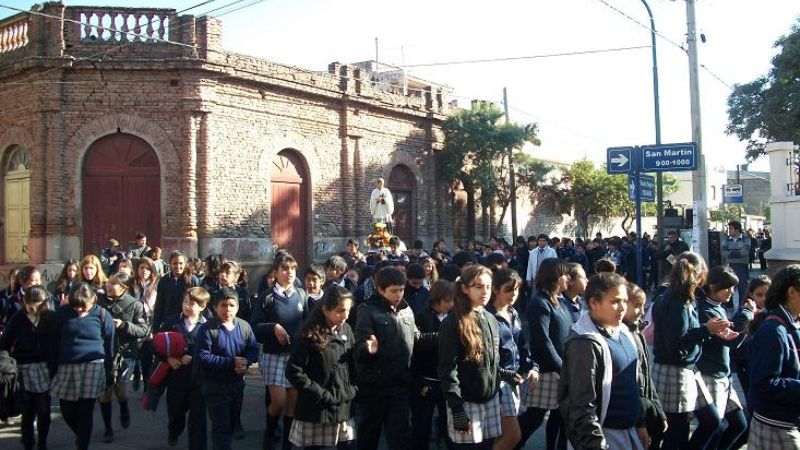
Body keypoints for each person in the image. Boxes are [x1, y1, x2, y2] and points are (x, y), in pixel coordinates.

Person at [651, 252, 737, 449]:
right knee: (677, 430)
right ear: (698, 276)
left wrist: (708, 331)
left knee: (711, 421)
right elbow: (676, 345)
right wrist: (706, 330)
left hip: (688, 369)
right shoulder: (677, 302)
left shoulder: (680, 298)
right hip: (674, 370)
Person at [354, 266, 436, 450]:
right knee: (369, 437)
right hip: (374, 387)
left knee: (400, 438)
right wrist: (368, 349)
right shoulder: (367, 311)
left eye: (401, 289)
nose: (398, 294)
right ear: (381, 289)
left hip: (400, 387)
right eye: (393, 290)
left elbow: (417, 339)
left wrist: (443, 335)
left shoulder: (407, 311)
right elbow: (359, 348)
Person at [560, 273, 644, 450]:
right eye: (614, 302)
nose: (622, 308)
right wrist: (596, 444)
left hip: (629, 432)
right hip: (604, 436)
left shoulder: (625, 332)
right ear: (593, 303)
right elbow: (582, 406)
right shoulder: (585, 343)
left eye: (624, 301)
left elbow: (637, 383)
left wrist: (640, 422)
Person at [438, 265, 504, 449]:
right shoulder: (453, 322)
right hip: (466, 402)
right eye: (478, 286)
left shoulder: (490, 318)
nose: (485, 291)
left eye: (488, 287)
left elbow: (490, 358)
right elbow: (447, 368)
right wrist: (457, 408)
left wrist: (501, 374)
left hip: (490, 398)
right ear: (465, 288)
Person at [286, 285, 357, 450]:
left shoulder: (347, 329)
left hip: (344, 407)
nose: (345, 316)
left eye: (347, 310)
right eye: (340, 311)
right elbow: (294, 371)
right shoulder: (308, 335)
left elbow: (354, 363)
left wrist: (353, 389)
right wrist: (321, 394)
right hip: (316, 411)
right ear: (325, 310)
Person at [250, 252, 308, 450]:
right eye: (284, 269)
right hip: (273, 354)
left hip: (295, 355)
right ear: (275, 272)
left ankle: (287, 445)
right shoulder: (266, 297)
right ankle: (270, 432)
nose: (289, 272)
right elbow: (255, 325)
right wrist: (273, 327)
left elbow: (308, 322)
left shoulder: (301, 294)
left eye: (292, 268)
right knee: (279, 402)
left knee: (293, 404)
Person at [47, 283, 115, 450]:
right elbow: (53, 342)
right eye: (76, 306)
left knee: (86, 408)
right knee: (67, 408)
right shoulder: (62, 314)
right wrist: (52, 368)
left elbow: (109, 343)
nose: (79, 310)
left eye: (83, 306)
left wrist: (109, 369)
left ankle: (83, 443)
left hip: (93, 365)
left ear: (93, 300)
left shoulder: (102, 314)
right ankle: (82, 433)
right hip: (67, 365)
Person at [516, 258, 571, 450]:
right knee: (534, 418)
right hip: (549, 371)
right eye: (564, 274)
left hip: (561, 369)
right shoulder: (540, 303)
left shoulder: (559, 301)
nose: (568, 279)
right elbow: (543, 341)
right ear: (554, 277)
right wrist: (562, 369)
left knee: (560, 417)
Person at [197, 287, 259, 450]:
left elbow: (252, 349)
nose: (227, 309)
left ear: (237, 307)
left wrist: (246, 361)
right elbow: (203, 357)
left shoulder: (244, 326)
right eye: (223, 305)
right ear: (215, 307)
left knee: (231, 423)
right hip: (214, 385)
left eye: (231, 305)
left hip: (237, 384)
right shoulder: (207, 329)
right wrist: (231, 362)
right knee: (221, 428)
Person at [746, 264, 800, 449]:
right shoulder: (773, 330)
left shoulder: (788, 323)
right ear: (792, 292)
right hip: (776, 426)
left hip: (786, 421)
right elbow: (765, 383)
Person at [696, 266, 748, 450]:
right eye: (726, 287)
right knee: (714, 427)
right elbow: (731, 339)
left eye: (733, 288)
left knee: (740, 424)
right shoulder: (706, 310)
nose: (730, 292)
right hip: (711, 375)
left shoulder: (717, 307)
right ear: (712, 285)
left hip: (723, 375)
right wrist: (746, 315)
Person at [488, 268, 537, 450]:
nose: (514, 294)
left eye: (516, 289)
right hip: (498, 381)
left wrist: (533, 367)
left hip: (515, 378)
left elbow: (522, 346)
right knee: (512, 435)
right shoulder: (488, 316)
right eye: (508, 289)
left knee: (501, 435)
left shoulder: (513, 312)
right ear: (495, 289)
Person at [97, 272, 149, 443]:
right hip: (103, 352)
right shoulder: (99, 302)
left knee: (120, 390)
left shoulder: (135, 305)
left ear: (124, 287)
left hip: (124, 353)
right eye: (108, 282)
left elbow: (142, 330)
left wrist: (124, 325)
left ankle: (124, 405)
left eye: (113, 283)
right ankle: (108, 428)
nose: (108, 286)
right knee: (105, 392)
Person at [0, 285, 52, 450]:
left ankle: (42, 442)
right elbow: (5, 344)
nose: (34, 309)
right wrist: (6, 365)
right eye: (31, 305)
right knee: (27, 410)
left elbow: (57, 341)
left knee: (43, 410)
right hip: (23, 368)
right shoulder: (19, 318)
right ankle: (29, 442)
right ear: (24, 302)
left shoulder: (49, 317)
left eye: (38, 305)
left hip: (44, 367)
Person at [159, 287, 209, 450]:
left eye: (192, 303)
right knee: (176, 414)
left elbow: (213, 349)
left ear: (202, 306)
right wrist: (169, 358)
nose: (187, 306)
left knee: (198, 418)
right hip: (176, 378)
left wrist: (194, 358)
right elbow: (157, 345)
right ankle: (173, 431)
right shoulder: (171, 322)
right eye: (185, 302)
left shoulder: (208, 325)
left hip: (198, 380)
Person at [411, 280, 455, 450]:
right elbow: (414, 352)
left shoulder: (455, 317)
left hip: (448, 380)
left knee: (450, 426)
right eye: (447, 301)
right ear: (437, 299)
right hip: (427, 380)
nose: (451, 305)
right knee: (421, 426)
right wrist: (419, 382)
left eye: (453, 300)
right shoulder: (421, 317)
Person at [624, 284, 667, 450]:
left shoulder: (637, 333)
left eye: (642, 306)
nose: (642, 311)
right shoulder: (623, 336)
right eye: (636, 306)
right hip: (633, 415)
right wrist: (640, 421)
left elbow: (646, 376)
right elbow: (631, 383)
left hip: (645, 409)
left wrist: (659, 411)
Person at [731, 274, 772, 395]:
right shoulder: (744, 313)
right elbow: (735, 340)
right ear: (751, 295)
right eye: (759, 295)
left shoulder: (774, 313)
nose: (764, 299)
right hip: (746, 364)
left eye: (767, 295)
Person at [153, 251, 200, 333]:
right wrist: (156, 328)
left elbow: (198, 302)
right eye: (175, 263)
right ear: (170, 264)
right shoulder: (164, 280)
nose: (178, 266)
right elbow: (159, 305)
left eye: (181, 263)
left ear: (185, 264)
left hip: (187, 323)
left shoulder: (193, 280)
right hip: (168, 323)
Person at [721, 221, 752, 310]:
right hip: (730, 266)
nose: (729, 230)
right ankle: (729, 306)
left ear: (737, 230)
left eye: (731, 228)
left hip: (742, 266)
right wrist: (737, 252)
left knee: (743, 288)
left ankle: (742, 308)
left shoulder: (746, 239)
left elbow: (745, 252)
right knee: (729, 286)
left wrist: (731, 252)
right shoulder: (727, 240)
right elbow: (723, 253)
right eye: (728, 228)